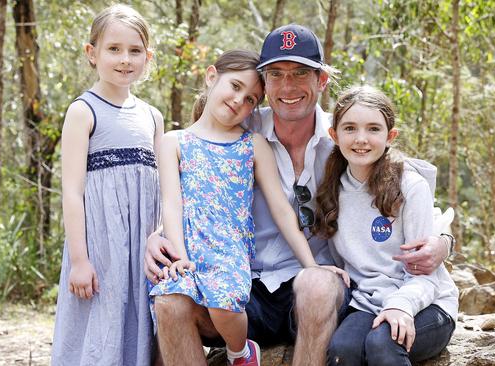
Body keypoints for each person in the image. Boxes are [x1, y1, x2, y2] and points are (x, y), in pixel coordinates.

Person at [144, 24, 452, 366]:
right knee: (170, 303)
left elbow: (403, 181)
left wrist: (443, 240)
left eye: (300, 73)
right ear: (264, 83)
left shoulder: (345, 136)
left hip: (313, 293)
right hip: (241, 286)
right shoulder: (242, 129)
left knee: (317, 283)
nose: (288, 86)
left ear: (321, 81)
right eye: (276, 74)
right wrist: (159, 236)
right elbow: (196, 187)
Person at [148, 49, 348, 366]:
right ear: (211, 76)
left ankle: (240, 353)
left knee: (225, 301)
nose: (240, 101)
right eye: (235, 87)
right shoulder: (175, 141)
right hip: (196, 256)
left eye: (251, 99)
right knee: (168, 300)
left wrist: (312, 265)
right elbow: (172, 203)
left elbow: (283, 211)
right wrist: (169, 245)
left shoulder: (257, 143)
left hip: (233, 259)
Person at [51, 4, 163, 366]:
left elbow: (162, 190)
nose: (124, 59)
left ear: (147, 57)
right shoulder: (84, 111)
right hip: (100, 246)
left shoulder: (152, 116)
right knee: (101, 320)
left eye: (134, 51)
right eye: (114, 49)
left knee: (139, 322)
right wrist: (80, 260)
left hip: (142, 245)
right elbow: (72, 191)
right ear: (92, 53)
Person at [316, 86, 458, 365]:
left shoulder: (410, 186)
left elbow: (425, 274)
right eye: (349, 128)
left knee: (383, 343)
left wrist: (401, 306)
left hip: (427, 302)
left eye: (373, 129)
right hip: (367, 303)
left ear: (390, 136)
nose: (361, 139)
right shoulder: (332, 187)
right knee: (343, 350)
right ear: (334, 135)